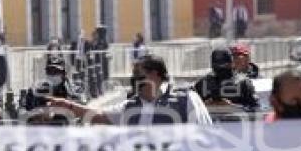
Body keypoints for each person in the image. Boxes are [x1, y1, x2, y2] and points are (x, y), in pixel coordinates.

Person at [50, 55, 213, 126]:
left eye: (138, 74)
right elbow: (97, 115)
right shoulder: (130, 107)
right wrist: (67, 106)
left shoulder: (186, 99)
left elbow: (205, 134)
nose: (134, 79)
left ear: (154, 74)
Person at [195, 48, 259, 111]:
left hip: (237, 120)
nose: (221, 69)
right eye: (217, 66)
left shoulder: (243, 82)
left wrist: (232, 106)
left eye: (224, 65)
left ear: (231, 64)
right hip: (210, 120)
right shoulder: (203, 83)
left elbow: (256, 108)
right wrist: (204, 106)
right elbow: (191, 109)